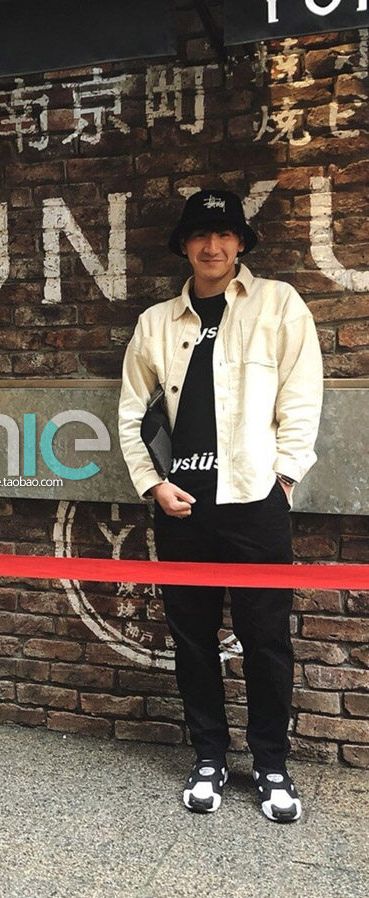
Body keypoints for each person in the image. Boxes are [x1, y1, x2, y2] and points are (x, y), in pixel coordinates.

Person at [118, 189, 323, 822]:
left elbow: (302, 398)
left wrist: (283, 479)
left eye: (225, 234)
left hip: (255, 502)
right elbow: (130, 413)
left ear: (240, 242)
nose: (213, 246)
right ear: (184, 245)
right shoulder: (156, 323)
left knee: (267, 639)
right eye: (201, 235)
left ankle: (271, 764)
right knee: (192, 638)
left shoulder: (278, 304)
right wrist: (153, 485)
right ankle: (208, 756)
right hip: (183, 506)